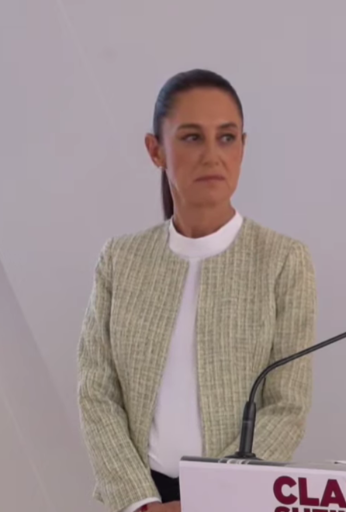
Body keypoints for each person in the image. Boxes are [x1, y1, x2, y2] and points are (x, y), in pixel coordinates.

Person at [77, 69, 317, 512]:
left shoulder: (283, 261)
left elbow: (286, 408)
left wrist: (208, 497)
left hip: (236, 501)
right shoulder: (120, 260)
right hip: (138, 500)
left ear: (243, 146)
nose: (212, 155)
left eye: (226, 138)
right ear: (155, 150)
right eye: (191, 137)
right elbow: (97, 392)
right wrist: (139, 501)